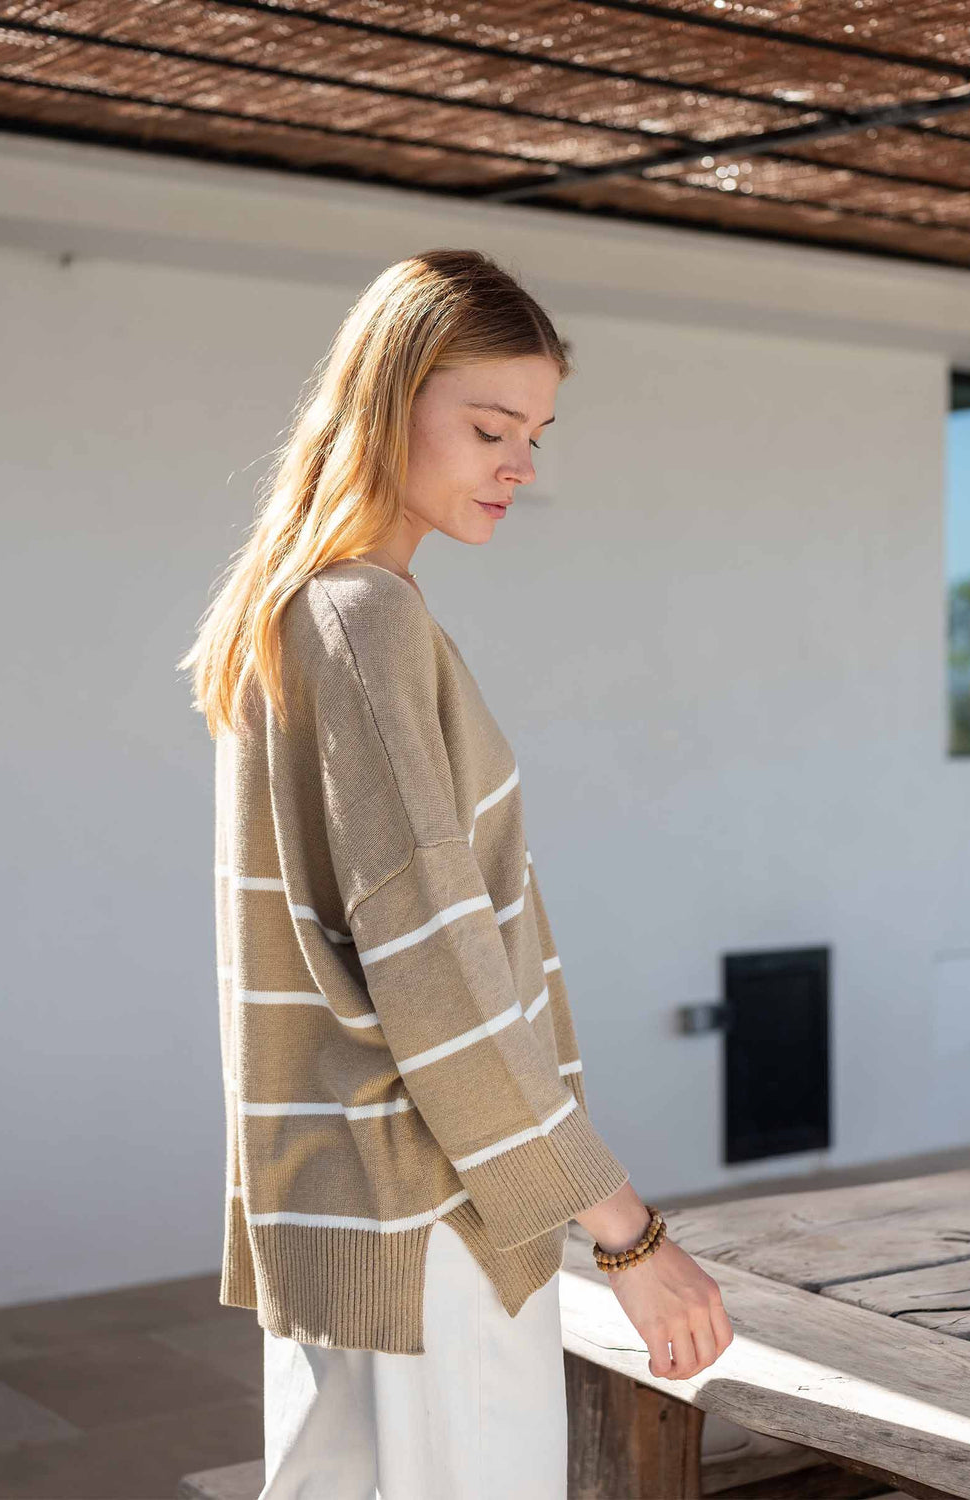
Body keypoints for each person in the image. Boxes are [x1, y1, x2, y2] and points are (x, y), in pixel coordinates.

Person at [178, 247, 733, 1500]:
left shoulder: (295, 610)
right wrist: (631, 1237)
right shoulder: (361, 620)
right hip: (435, 1213)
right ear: (389, 403)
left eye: (536, 433)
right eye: (491, 426)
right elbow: (442, 979)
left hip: (340, 1205)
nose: (521, 467)